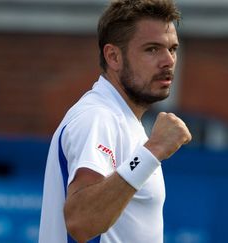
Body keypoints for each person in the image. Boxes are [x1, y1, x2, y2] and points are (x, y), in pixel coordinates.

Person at [38, 0, 192, 242]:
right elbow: (81, 220)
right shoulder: (99, 117)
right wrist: (152, 151)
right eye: (152, 49)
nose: (168, 61)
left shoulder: (121, 119)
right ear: (113, 57)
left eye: (172, 49)